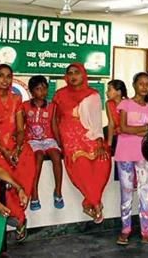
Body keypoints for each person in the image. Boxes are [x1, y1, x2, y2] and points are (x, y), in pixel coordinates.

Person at [0, 64, 35, 241]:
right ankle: (17, 217)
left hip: (11, 143)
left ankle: (19, 205)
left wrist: (16, 148)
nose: (5, 79)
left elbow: (20, 129)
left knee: (27, 157)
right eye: (1, 75)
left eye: (8, 76)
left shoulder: (16, 99)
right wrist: (3, 150)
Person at [52, 62, 110, 224]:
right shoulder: (60, 95)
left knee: (103, 160)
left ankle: (89, 202)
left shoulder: (93, 94)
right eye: (69, 73)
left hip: (90, 134)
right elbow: (55, 121)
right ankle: (96, 203)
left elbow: (97, 121)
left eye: (76, 72)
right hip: (69, 137)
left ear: (83, 75)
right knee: (81, 163)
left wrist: (99, 141)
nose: (73, 76)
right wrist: (59, 143)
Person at [114, 72, 148, 246]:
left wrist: (141, 130)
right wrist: (144, 129)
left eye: (147, 84)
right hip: (125, 153)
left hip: (143, 153)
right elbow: (123, 128)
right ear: (134, 85)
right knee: (126, 192)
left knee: (145, 191)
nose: (144, 86)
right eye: (140, 83)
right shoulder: (125, 104)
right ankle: (125, 229)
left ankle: (145, 231)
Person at [22, 75, 64, 211]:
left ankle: (58, 191)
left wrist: (59, 143)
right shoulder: (24, 106)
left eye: (44, 88)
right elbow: (21, 126)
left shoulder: (52, 106)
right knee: (38, 156)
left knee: (56, 156)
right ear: (31, 91)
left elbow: (54, 126)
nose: (42, 92)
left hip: (48, 139)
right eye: (38, 89)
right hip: (32, 140)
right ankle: (34, 194)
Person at [105, 79, 127, 155]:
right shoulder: (108, 103)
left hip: (127, 134)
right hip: (116, 135)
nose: (106, 92)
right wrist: (109, 145)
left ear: (119, 92)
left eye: (109, 90)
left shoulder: (128, 103)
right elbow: (111, 124)